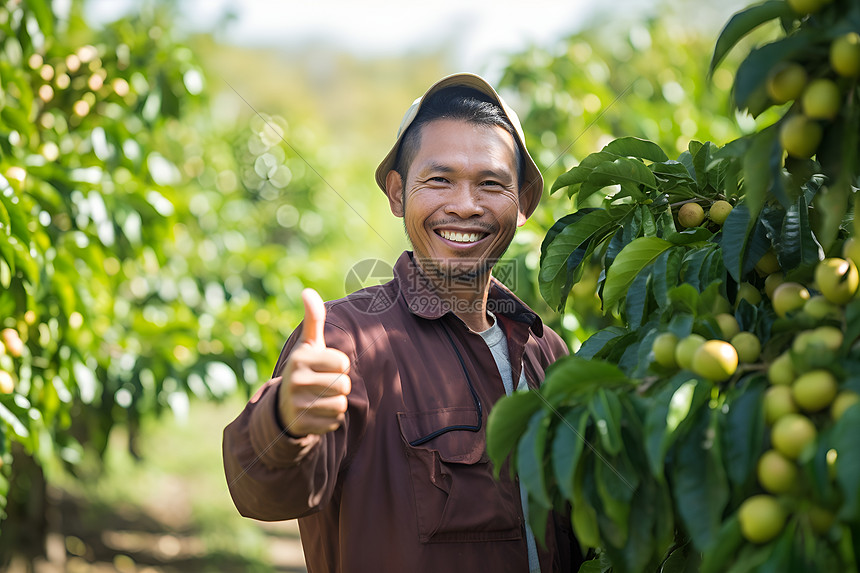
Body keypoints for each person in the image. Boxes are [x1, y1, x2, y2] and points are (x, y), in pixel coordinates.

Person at [222, 73, 583, 572]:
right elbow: (262, 493)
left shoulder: (548, 353)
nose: (465, 205)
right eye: (439, 180)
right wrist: (285, 420)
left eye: (491, 183)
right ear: (397, 194)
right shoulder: (348, 343)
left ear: (521, 205)